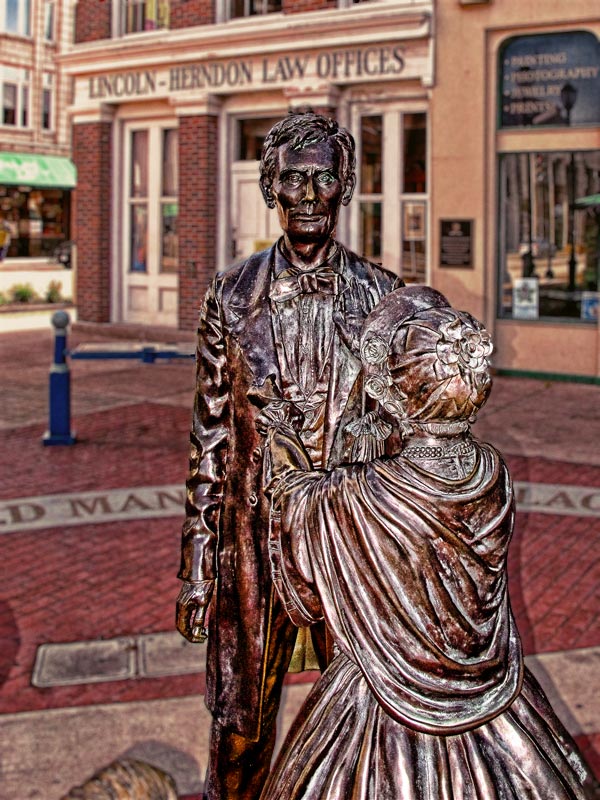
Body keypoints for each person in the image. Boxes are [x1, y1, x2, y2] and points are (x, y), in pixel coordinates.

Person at [258, 285, 596, 800]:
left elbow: (295, 504)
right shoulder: (492, 472)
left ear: (397, 395)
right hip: (489, 694)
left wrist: (281, 434)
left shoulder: (364, 492)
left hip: (380, 704)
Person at [175, 111, 400, 800]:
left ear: (346, 186)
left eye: (324, 178)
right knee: (241, 726)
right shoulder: (230, 294)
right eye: (293, 179)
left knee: (362, 719)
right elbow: (210, 439)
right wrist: (196, 569)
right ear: (269, 186)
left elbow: (409, 438)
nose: (308, 194)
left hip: (350, 543)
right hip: (254, 541)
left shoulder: (386, 298)